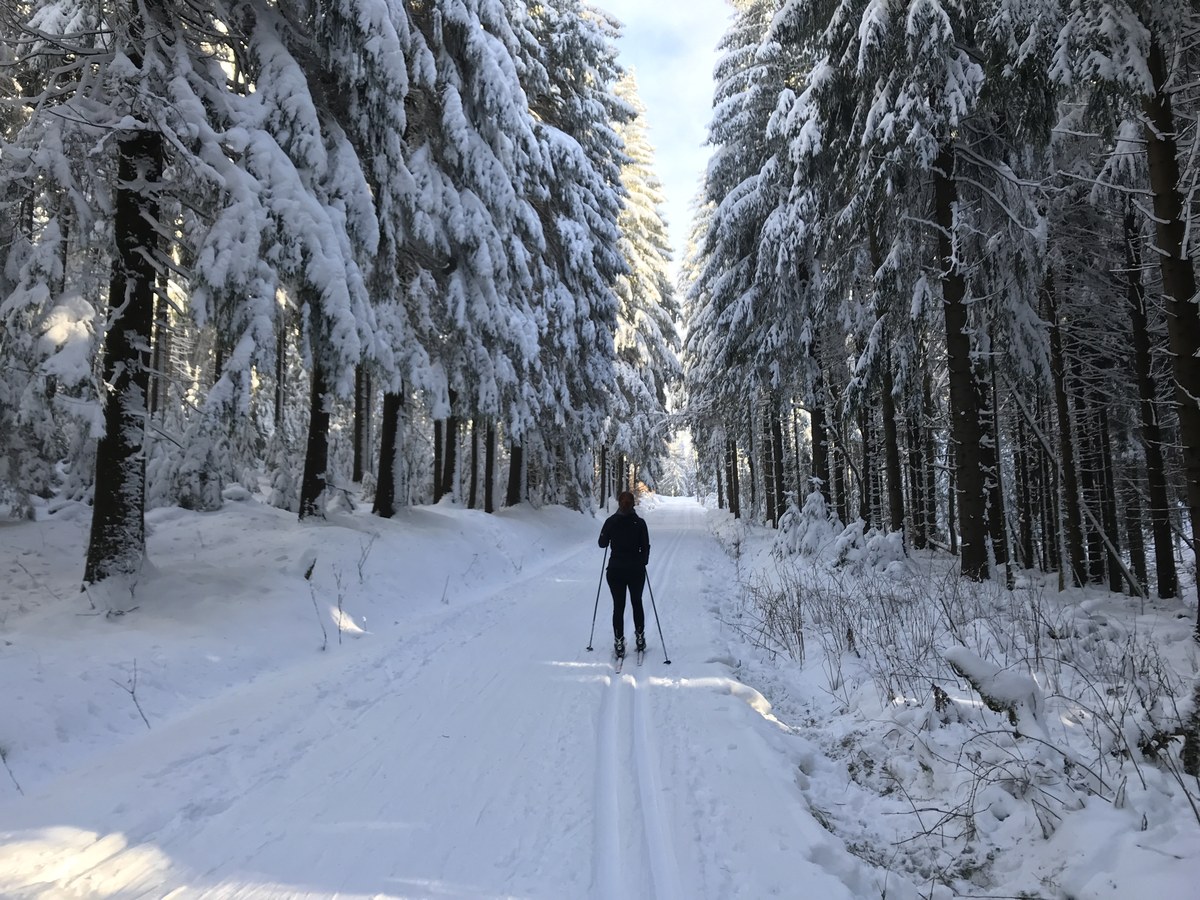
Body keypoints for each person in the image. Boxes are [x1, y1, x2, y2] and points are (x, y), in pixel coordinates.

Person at [597, 490, 650, 658]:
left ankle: (619, 642)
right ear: (633, 504)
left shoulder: (611, 522)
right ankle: (640, 638)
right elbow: (646, 547)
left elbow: (602, 544)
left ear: (619, 504)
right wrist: (642, 562)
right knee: (637, 602)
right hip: (636, 570)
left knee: (618, 606)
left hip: (615, 571)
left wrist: (608, 533)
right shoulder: (640, 523)